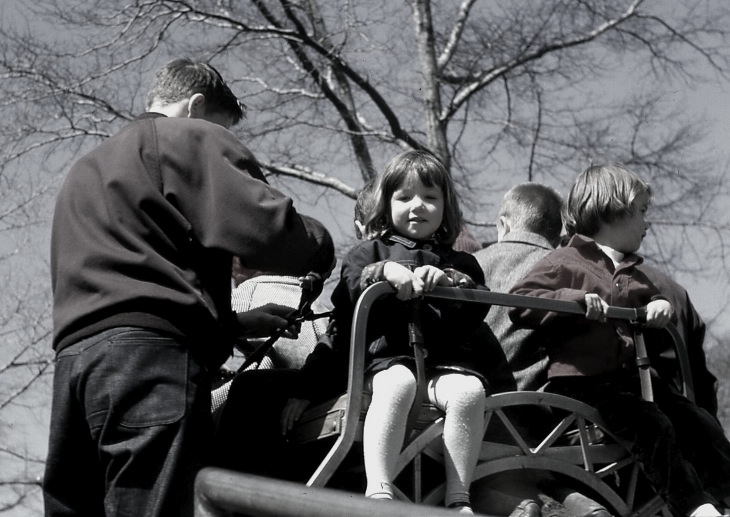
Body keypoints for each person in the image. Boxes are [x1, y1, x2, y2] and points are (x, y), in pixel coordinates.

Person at [44, 57, 335, 517]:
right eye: (222, 129)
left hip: (76, 371)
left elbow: (134, 281)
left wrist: (232, 324)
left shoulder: (86, 169)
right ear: (196, 106)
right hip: (150, 368)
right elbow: (277, 237)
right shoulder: (185, 138)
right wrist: (321, 245)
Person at [508, 163, 730, 517]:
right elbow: (523, 300)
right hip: (581, 382)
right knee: (651, 424)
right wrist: (574, 300)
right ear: (613, 209)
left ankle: (725, 492)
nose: (647, 222)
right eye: (641, 212)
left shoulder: (633, 271)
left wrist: (659, 307)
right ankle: (695, 507)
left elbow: (654, 298)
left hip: (628, 380)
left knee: (695, 419)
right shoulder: (563, 260)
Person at [330, 149, 490, 514]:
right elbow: (347, 291)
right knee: (399, 383)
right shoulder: (366, 252)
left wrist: (451, 282)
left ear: (445, 207)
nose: (418, 205)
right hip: (387, 361)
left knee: (470, 391)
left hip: (442, 365)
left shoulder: (460, 261)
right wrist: (383, 272)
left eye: (430, 197)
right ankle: (379, 490)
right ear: (386, 205)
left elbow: (480, 305)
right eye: (405, 197)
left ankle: (459, 498)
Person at [473, 182, 563, 391]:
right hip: (531, 403)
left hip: (467, 395)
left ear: (504, 225)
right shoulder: (563, 267)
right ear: (557, 238)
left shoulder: (470, 263)